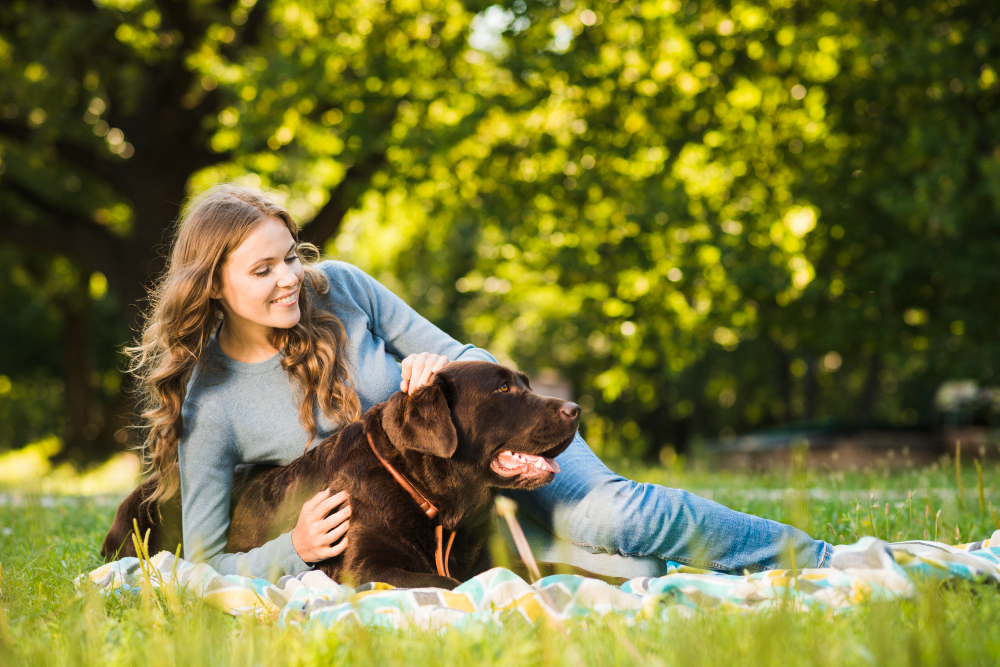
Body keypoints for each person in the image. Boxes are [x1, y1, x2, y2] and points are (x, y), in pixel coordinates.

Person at [129, 184, 832, 583]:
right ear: (212, 283)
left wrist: (434, 369)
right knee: (644, 574)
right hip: (439, 520)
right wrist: (295, 549)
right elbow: (204, 561)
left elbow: (469, 354)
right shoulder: (212, 403)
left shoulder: (338, 287)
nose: (289, 278)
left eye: (288, 255)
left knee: (614, 518)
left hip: (494, 456)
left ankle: (826, 563)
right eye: (261, 270)